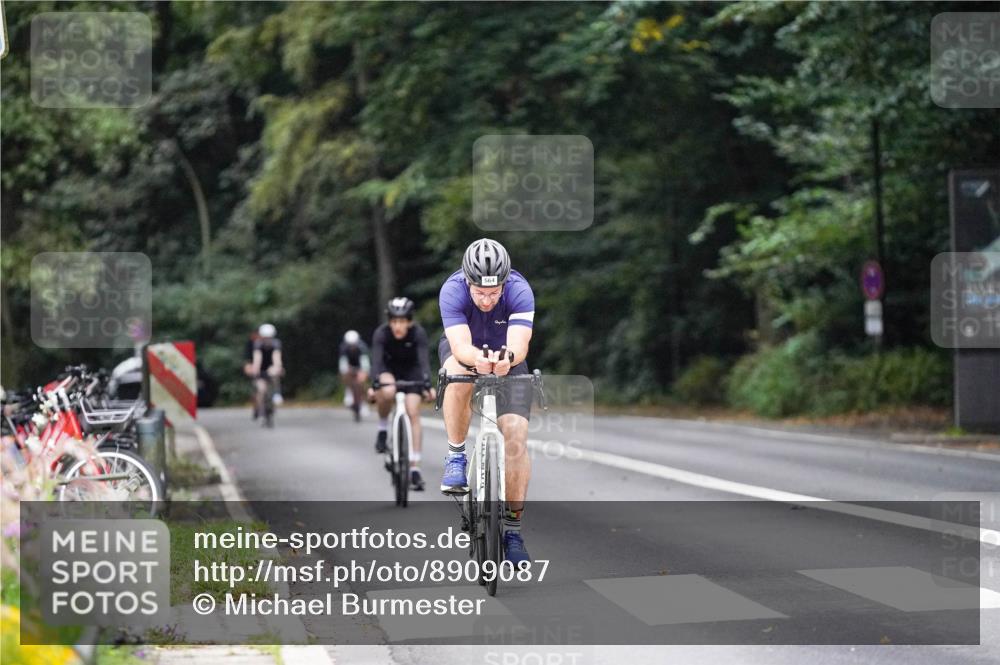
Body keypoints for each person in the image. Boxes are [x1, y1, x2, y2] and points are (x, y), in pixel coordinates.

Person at [438, 238, 535, 567]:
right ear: (467, 281)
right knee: (455, 371)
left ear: (505, 283)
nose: (487, 299)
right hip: (466, 351)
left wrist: (507, 357)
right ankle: (455, 455)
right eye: (480, 292)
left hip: (506, 355)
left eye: (494, 293)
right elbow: (460, 344)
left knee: (516, 436)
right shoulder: (452, 290)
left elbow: (519, 343)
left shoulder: (520, 290)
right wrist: (475, 360)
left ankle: (512, 529)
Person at [367, 297, 436, 490]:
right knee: (387, 391)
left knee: (413, 411)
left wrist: (427, 385)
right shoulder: (381, 334)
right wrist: (374, 384)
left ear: (409, 321)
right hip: (389, 370)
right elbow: (377, 362)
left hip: (411, 372)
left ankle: (415, 467)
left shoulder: (418, 333)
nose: (398, 326)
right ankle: (382, 429)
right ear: (389, 321)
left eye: (402, 321)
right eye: (394, 321)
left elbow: (423, 361)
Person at [250, 324, 284, 425]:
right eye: (265, 337)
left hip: (270, 368)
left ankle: (276, 394)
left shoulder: (276, 344)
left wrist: (276, 368)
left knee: (275, 378)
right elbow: (257, 359)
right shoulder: (258, 344)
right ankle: (261, 410)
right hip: (261, 369)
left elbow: (276, 358)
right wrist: (256, 370)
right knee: (261, 390)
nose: (267, 340)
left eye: (269, 337)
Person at [339, 329, 371, 421]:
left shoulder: (362, 347)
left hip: (359, 365)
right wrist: (346, 372)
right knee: (345, 375)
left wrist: (363, 373)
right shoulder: (343, 348)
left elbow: (365, 363)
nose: (352, 347)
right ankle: (348, 391)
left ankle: (363, 403)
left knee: (361, 382)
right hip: (349, 365)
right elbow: (343, 364)